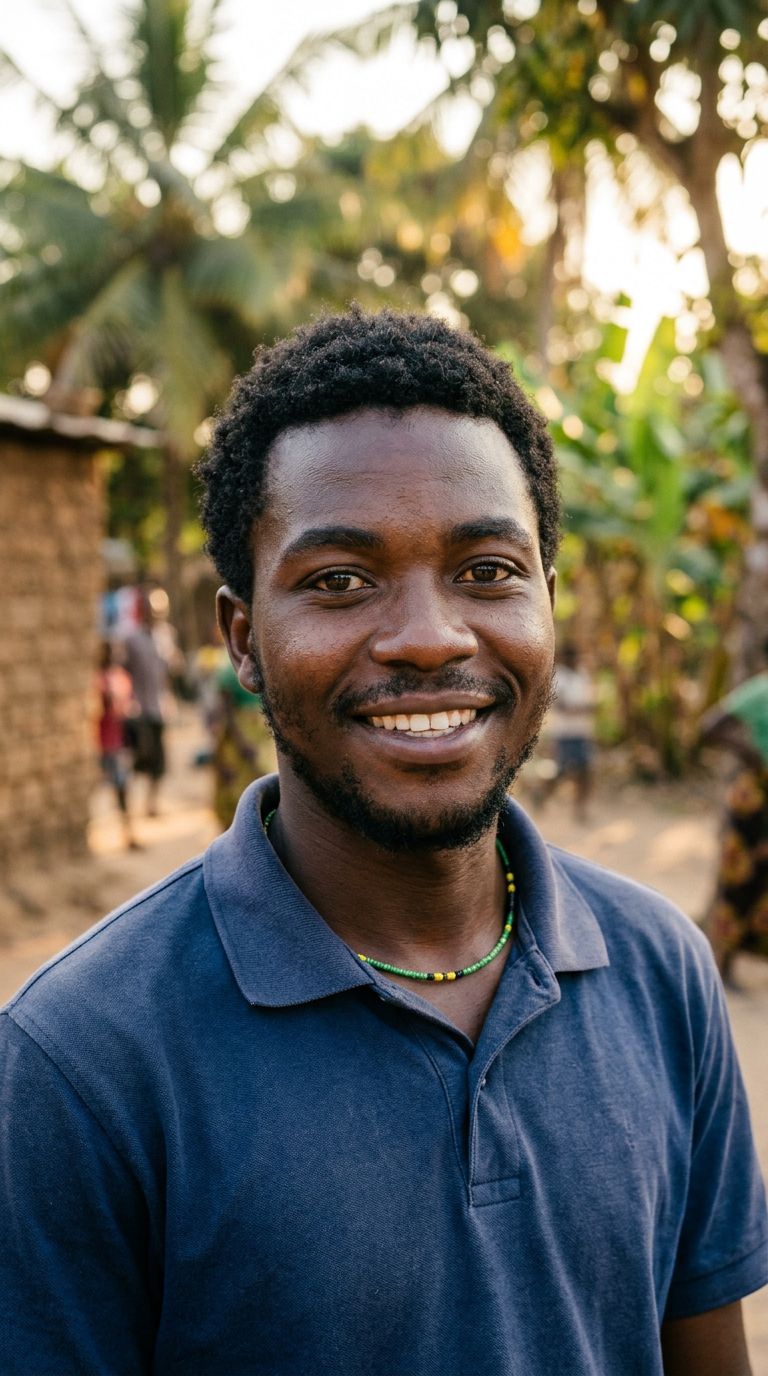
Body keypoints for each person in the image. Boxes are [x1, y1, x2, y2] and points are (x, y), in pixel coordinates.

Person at [1, 309, 765, 1376]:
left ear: (549, 599)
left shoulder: (660, 973)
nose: (427, 634)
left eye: (488, 569)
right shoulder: (81, 1063)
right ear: (241, 639)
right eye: (339, 581)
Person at [702, 658, 768, 983]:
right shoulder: (760, 690)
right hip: (755, 796)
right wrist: (751, 753)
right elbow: (711, 726)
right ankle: (722, 965)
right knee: (740, 878)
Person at [210, 655, 276, 829]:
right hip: (241, 735)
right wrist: (241, 742)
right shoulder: (227, 668)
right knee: (236, 789)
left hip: (262, 733)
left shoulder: (267, 660)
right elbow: (226, 711)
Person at [538, 641, 597, 821]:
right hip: (564, 733)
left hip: (582, 732)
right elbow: (560, 705)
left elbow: (589, 701)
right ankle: (541, 795)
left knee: (586, 771)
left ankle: (580, 809)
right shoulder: (560, 678)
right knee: (561, 772)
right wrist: (580, 709)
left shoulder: (582, 675)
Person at [122, 590, 168, 816]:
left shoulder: (165, 636)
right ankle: (133, 807)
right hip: (140, 709)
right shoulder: (131, 639)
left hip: (161, 708)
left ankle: (151, 804)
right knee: (141, 759)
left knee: (160, 762)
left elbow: (168, 671)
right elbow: (125, 671)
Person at [94, 640, 140, 850]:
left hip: (119, 742)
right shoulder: (100, 680)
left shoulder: (120, 677)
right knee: (111, 788)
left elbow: (129, 704)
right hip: (105, 743)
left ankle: (127, 832)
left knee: (122, 788)